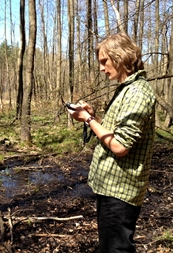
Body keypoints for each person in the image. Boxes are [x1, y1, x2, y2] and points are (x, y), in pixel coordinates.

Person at [67, 32, 156, 253]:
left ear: (121, 57)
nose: (101, 68)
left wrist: (87, 120)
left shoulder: (137, 93)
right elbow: (114, 134)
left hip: (121, 190)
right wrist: (93, 118)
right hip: (112, 186)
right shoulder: (127, 89)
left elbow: (120, 146)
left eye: (104, 61)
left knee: (116, 249)